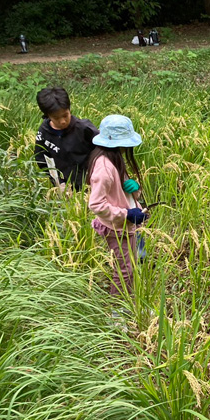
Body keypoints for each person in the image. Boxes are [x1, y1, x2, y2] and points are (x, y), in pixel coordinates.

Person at [87, 114, 148, 297]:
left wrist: (134, 189)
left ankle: (130, 304)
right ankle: (118, 313)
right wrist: (126, 215)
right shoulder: (104, 168)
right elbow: (96, 204)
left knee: (132, 264)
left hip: (125, 226)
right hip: (117, 228)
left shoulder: (113, 158)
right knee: (125, 269)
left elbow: (118, 191)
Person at [34, 87, 99, 191]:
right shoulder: (43, 133)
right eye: (56, 118)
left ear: (69, 109)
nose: (63, 121)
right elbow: (42, 159)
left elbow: (106, 150)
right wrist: (57, 182)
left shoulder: (84, 129)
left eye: (65, 115)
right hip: (65, 187)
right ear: (47, 116)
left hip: (91, 183)